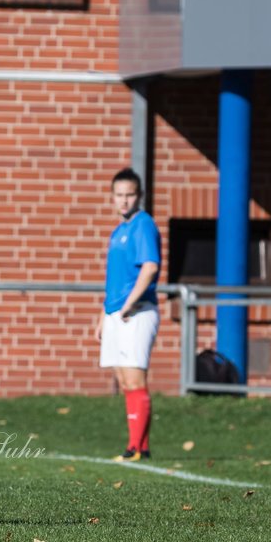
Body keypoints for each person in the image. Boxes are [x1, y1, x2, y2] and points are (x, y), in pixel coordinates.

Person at [95, 167, 161, 462]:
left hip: (137, 312)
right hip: (116, 314)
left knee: (136, 379)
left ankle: (134, 448)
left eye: (130, 195)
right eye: (119, 195)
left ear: (140, 196)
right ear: (112, 197)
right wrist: (103, 315)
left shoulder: (144, 225)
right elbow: (115, 280)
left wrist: (128, 304)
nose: (124, 201)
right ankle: (141, 448)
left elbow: (150, 267)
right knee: (124, 381)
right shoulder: (118, 231)